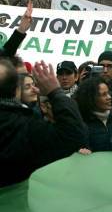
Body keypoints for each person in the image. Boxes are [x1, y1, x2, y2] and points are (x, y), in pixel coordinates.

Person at [0, 59, 87, 187]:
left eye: (68, 73)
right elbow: (73, 135)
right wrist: (55, 92)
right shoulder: (24, 127)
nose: (34, 89)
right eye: (25, 84)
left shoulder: (24, 122)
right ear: (16, 90)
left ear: (76, 76)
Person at [74, 77, 112, 153]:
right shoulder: (80, 124)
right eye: (104, 95)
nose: (109, 97)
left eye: (108, 93)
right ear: (91, 98)